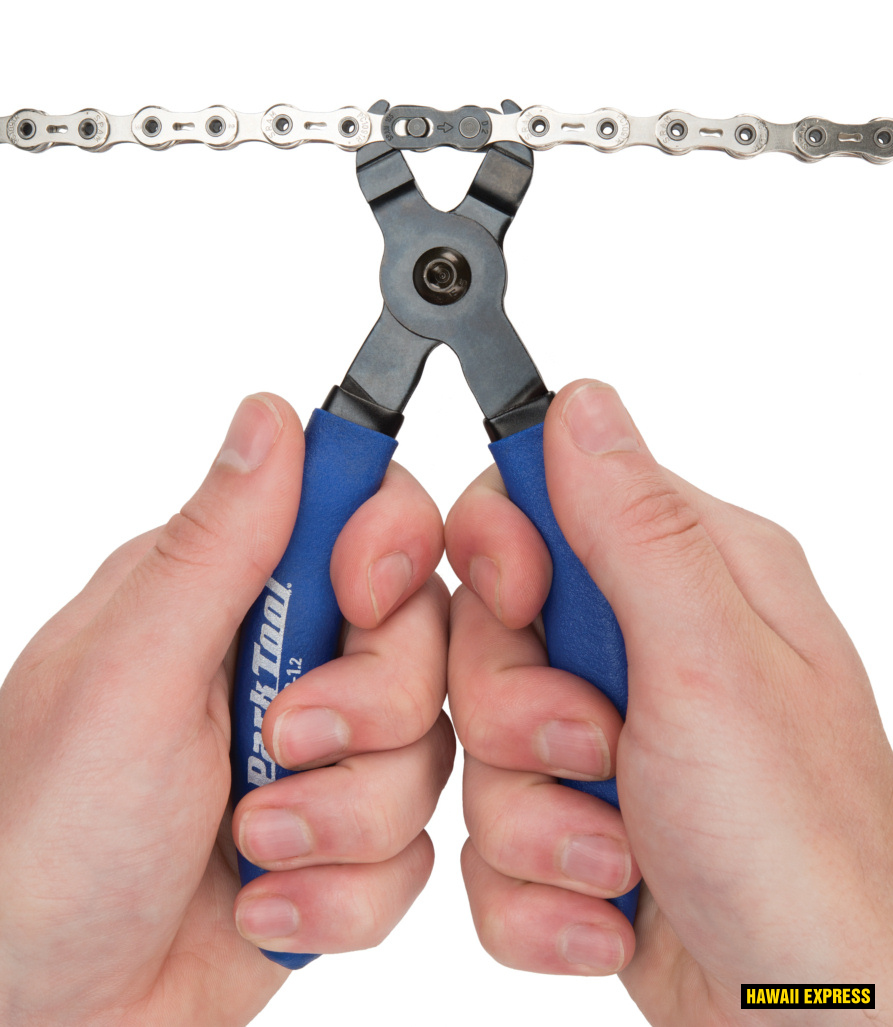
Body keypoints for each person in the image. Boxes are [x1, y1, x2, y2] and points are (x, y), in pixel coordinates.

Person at [0, 383, 890, 1025]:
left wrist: (815, 993)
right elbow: (832, 1001)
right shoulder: (826, 998)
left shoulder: (794, 993)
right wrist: (851, 991)